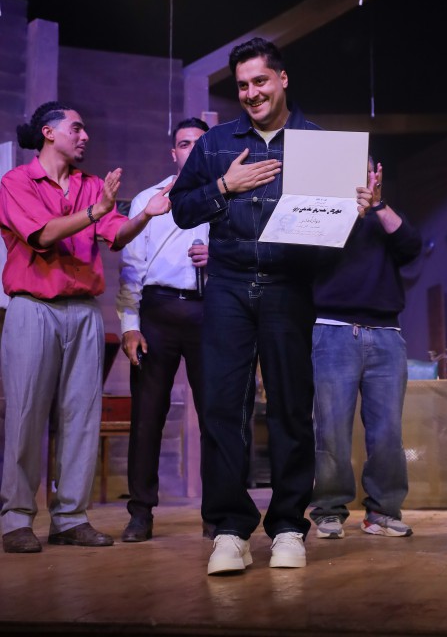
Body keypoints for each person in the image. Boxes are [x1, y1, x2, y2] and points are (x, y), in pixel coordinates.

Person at [170, 37, 372, 574]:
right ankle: (230, 530)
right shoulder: (216, 143)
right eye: (242, 85)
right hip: (228, 286)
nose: (251, 92)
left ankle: (286, 526)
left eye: (260, 81)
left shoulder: (319, 144)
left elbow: (333, 239)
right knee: (222, 408)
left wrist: (356, 211)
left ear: (282, 79)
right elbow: (181, 209)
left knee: (290, 408)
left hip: (288, 287)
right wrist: (224, 184)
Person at [0, 101, 172, 554]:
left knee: (81, 416)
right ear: (49, 132)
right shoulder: (17, 182)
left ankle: (70, 518)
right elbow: (42, 235)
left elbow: (115, 234)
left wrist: (145, 214)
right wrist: (96, 212)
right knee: (25, 415)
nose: (85, 136)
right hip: (33, 307)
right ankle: (16, 518)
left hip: (83, 311)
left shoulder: (91, 185)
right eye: (76, 128)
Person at [309, 160, 422, 539]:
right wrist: (345, 214)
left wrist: (377, 205)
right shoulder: (319, 215)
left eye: (367, 170)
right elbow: (309, 261)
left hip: (386, 332)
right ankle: (328, 509)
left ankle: (383, 511)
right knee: (331, 429)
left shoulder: (384, 217)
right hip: (333, 329)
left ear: (377, 175)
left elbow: (411, 246)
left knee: (388, 431)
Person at [116, 117, 209, 543]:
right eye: (184, 143)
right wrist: (130, 326)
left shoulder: (226, 197)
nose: (191, 149)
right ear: (173, 153)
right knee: (147, 416)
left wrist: (217, 257)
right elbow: (131, 267)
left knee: (217, 416)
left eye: (199, 143)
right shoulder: (147, 198)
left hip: (210, 310)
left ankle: (218, 513)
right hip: (158, 310)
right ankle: (140, 513)